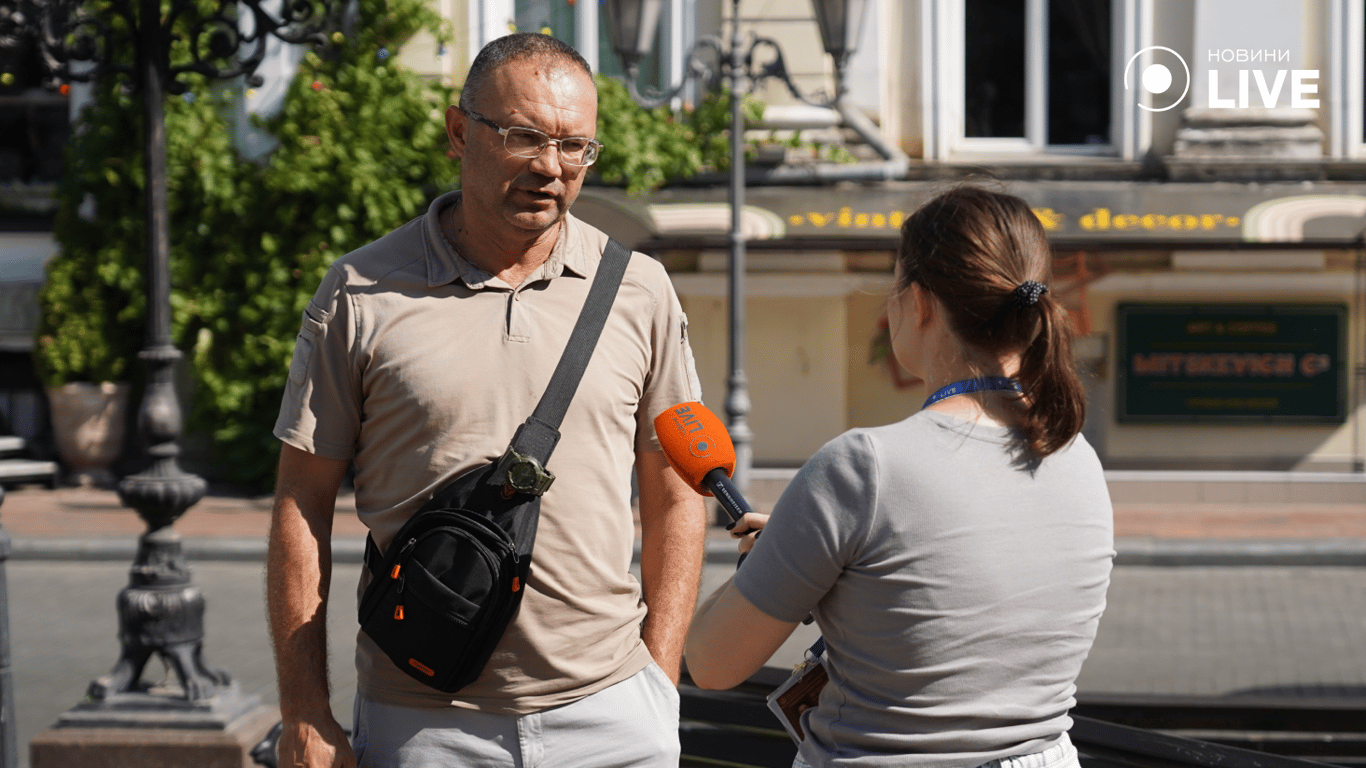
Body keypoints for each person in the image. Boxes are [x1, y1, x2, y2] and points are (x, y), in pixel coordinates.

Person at [267, 32, 706, 767]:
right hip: (423, 723)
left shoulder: (639, 290)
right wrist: (304, 711)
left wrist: (657, 681)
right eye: (524, 137)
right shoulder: (362, 292)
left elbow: (674, 493)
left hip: (612, 717)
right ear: (458, 132)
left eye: (575, 147)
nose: (550, 167)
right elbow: (301, 503)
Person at [685, 186, 1115, 768]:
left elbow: (711, 663)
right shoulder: (1076, 456)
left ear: (921, 304)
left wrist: (765, 565)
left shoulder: (863, 469)